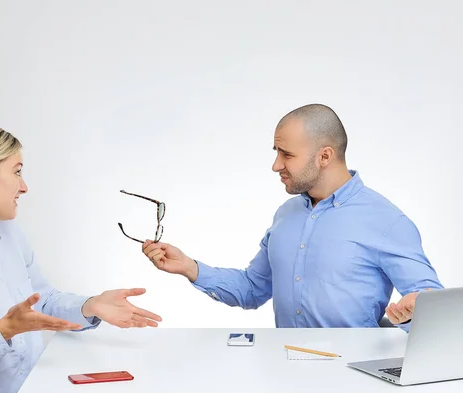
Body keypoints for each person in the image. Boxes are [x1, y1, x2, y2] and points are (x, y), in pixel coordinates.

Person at [0, 124, 162, 393]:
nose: (24, 187)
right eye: (17, 172)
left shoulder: (9, 235)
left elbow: (41, 301)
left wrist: (89, 306)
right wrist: (3, 332)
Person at [141, 103, 443, 330]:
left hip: (353, 381)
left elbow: (436, 309)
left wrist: (413, 311)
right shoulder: (286, 215)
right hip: (282, 376)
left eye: (286, 154)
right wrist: (189, 267)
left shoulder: (386, 222)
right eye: (276, 152)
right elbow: (252, 289)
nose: (276, 165)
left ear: (324, 156)